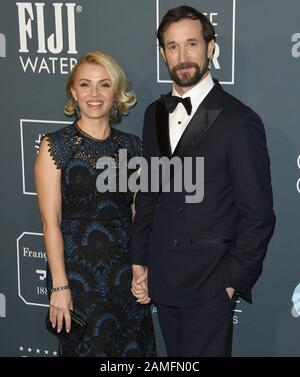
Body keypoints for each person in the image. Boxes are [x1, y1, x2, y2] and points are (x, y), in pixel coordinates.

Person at [130, 6, 276, 357]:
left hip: (209, 285)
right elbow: (148, 193)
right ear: (163, 53)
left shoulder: (240, 121)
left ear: (211, 47)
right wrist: (140, 260)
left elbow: (258, 215)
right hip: (163, 280)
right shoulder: (153, 114)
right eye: (172, 46)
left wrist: (229, 284)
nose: (182, 56)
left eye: (191, 43)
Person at [35, 51, 156, 357]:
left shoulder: (133, 146)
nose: (95, 94)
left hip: (125, 276)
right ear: (73, 92)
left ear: (115, 92)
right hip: (78, 278)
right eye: (86, 85)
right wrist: (60, 287)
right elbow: (50, 223)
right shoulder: (55, 146)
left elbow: (137, 214)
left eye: (104, 85)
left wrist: (143, 269)